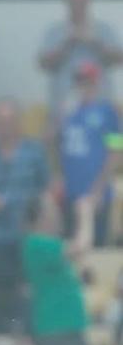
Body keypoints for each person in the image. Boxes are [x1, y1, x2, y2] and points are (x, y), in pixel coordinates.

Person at [22, 198, 90, 345]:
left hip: (68, 327)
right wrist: (85, 215)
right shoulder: (36, 242)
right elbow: (81, 246)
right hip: (56, 328)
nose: (58, 214)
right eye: (52, 210)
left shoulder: (48, 245)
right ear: (41, 217)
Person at [0, 99, 49, 281]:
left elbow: (46, 187)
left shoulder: (35, 152)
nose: (5, 127)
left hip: (28, 233)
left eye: (9, 121)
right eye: (0, 122)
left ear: (18, 123)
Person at [38, 0, 123, 123]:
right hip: (63, 108)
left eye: (82, 1)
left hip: (101, 107)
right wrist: (67, 43)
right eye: (74, 1)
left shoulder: (104, 29)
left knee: (114, 141)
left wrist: (96, 42)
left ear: (89, 1)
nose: (78, 5)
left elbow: (119, 59)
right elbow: (43, 64)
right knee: (63, 143)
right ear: (66, 2)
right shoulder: (54, 31)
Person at [59, 60, 122, 246]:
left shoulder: (107, 111)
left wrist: (99, 189)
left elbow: (117, 150)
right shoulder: (69, 111)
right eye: (79, 80)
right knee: (71, 247)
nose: (82, 85)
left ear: (96, 83)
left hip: (96, 193)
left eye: (87, 80)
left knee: (96, 250)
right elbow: (57, 146)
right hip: (71, 193)